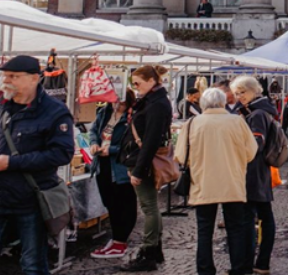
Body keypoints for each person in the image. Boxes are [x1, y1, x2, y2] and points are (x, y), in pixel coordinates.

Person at [0, 56, 75, 275]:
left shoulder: (55, 111)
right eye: (5, 76)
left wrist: (11, 163)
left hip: (30, 199)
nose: (6, 81)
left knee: (33, 265)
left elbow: (61, 154)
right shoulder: (1, 105)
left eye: (13, 76)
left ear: (34, 78)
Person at [175, 88, 257, 275]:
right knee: (236, 229)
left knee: (204, 230)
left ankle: (205, 270)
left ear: (203, 103)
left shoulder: (192, 123)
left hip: (203, 182)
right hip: (232, 182)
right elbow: (251, 152)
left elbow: (180, 155)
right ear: (223, 103)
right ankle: (238, 269)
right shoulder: (237, 121)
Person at [119, 65, 173, 271]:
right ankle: (155, 251)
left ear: (151, 81)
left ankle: (148, 252)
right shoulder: (153, 101)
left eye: (138, 83)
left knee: (149, 207)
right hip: (140, 159)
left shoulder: (157, 104)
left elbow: (151, 140)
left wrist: (138, 170)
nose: (135, 87)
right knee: (151, 206)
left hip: (143, 162)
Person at [232, 76, 278, 275]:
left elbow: (256, 144)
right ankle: (259, 263)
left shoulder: (257, 113)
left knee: (254, 218)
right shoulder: (255, 111)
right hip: (257, 171)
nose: (239, 96)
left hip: (253, 171)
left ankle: (252, 263)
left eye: (243, 92)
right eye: (236, 93)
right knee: (263, 216)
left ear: (254, 91)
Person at [89, 91, 137, 259]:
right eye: (114, 102)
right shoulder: (104, 113)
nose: (116, 105)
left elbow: (133, 145)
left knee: (124, 204)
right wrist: (94, 143)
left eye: (121, 103)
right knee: (110, 203)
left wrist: (112, 150)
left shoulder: (131, 118)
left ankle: (120, 240)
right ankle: (116, 239)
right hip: (102, 165)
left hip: (120, 166)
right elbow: (93, 130)